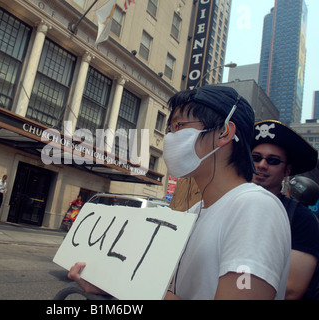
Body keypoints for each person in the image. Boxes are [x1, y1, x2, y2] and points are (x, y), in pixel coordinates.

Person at [68, 85, 291, 300]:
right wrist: (110, 284)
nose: (170, 138)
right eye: (170, 130)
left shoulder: (255, 207)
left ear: (224, 132)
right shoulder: (194, 212)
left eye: (179, 126)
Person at [251, 120, 319, 300]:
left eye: (272, 161)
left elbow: (291, 289)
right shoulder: (228, 203)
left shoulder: (301, 219)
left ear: (287, 170)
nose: (262, 165)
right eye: (256, 158)